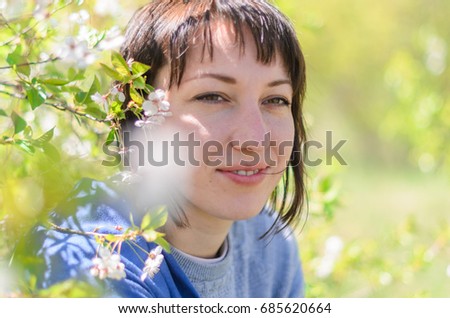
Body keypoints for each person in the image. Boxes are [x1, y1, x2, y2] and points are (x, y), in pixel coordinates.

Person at [30, 0, 307, 297]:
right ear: (140, 114)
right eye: (213, 97)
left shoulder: (269, 247)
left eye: (275, 100)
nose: (254, 139)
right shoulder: (97, 261)